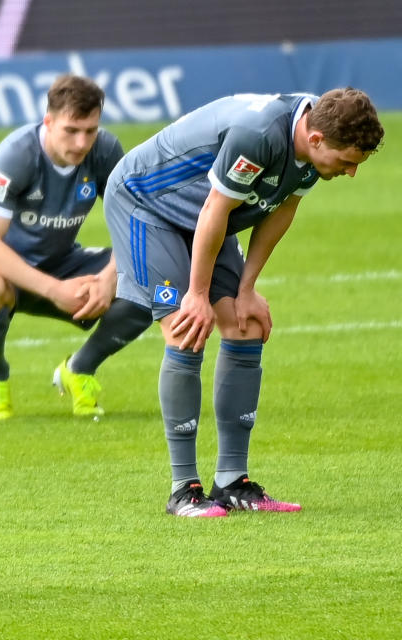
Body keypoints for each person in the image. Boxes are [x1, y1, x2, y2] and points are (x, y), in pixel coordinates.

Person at [103, 90, 384, 517]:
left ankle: (232, 481)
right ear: (316, 139)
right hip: (146, 205)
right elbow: (216, 207)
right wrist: (196, 296)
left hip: (205, 217)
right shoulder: (260, 135)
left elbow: (282, 207)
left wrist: (246, 289)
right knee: (187, 327)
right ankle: (183, 489)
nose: (351, 173)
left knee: (244, 322)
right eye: (347, 162)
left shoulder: (311, 139)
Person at [0, 74, 151, 420]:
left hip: (62, 262)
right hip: (1, 269)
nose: (81, 143)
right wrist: (54, 290)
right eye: (71, 131)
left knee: (153, 272)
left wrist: (108, 278)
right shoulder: (17, 155)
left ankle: (79, 369)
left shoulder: (105, 151)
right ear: (49, 121)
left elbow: (139, 222)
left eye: (90, 131)